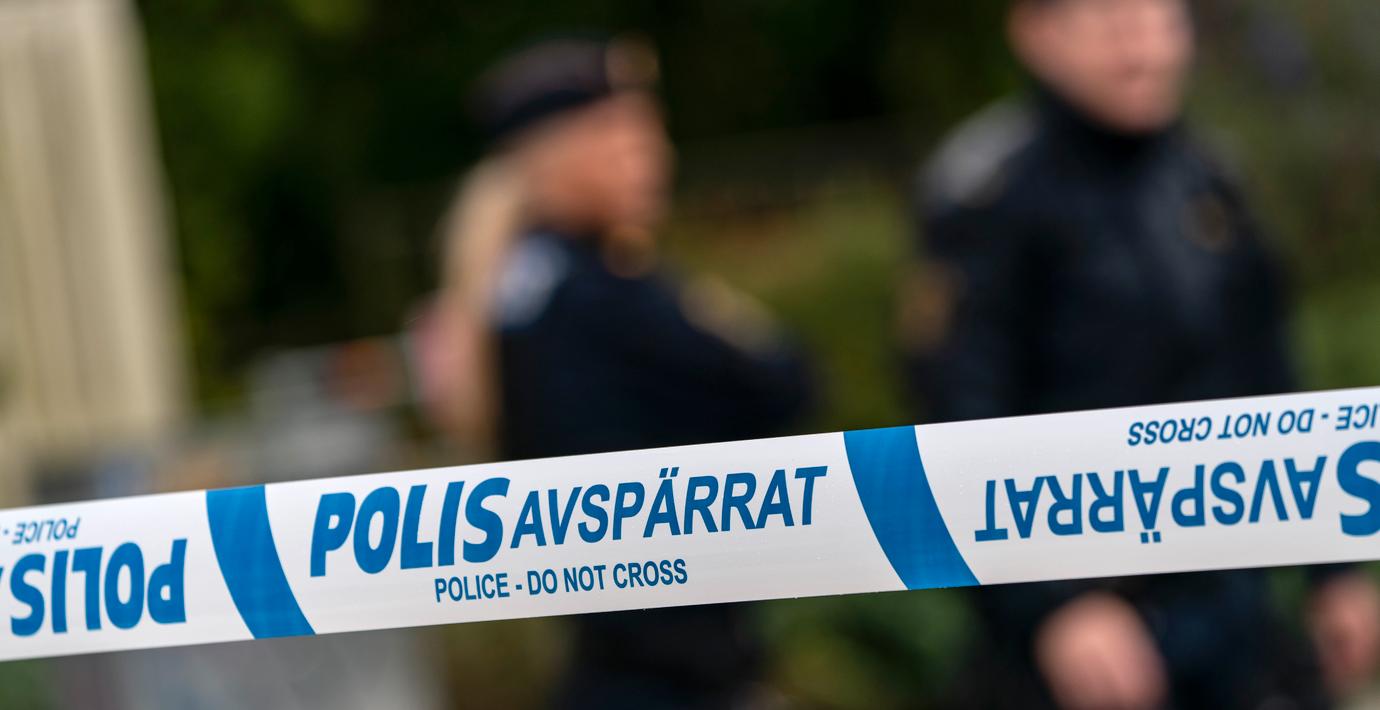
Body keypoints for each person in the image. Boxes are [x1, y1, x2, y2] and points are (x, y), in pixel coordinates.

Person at [900, 1, 1380, 708]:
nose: (1144, 50)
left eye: (1161, 21)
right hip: (1086, 642)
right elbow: (957, 423)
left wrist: (1332, 565)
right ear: (1037, 35)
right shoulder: (989, 196)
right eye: (1113, 25)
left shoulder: (1206, 175)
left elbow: (1269, 377)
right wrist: (1053, 605)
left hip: (1234, 611)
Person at [427, 37, 813, 709]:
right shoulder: (600, 297)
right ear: (557, 153)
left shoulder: (522, 288)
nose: (654, 156)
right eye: (621, 136)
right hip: (667, 672)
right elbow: (781, 386)